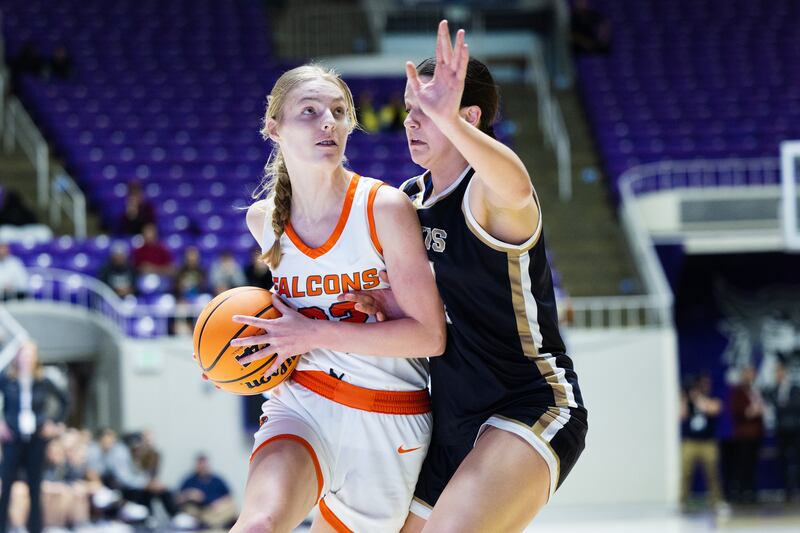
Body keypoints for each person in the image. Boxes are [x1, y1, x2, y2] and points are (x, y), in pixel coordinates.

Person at [343, 21, 588, 532]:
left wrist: (451, 123)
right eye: (411, 110)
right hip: (450, 415)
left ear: (468, 116)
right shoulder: (408, 198)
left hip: (529, 399)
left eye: (426, 111)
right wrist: (384, 303)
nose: (411, 121)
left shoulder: (489, 193)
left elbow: (517, 187)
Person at [221, 64, 445, 532]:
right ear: (274, 128)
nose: (328, 121)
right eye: (310, 111)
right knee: (258, 524)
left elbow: (429, 337)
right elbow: (276, 326)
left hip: (387, 415)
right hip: (302, 404)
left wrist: (313, 332)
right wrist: (231, 352)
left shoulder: (384, 207)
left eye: (339, 112)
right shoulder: (264, 222)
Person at [0, 341, 69, 533]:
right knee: (7, 486)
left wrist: (53, 423)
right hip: (12, 438)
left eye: (31, 354)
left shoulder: (43, 381)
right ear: (17, 357)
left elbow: (64, 401)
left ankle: (35, 529)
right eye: (24, 353)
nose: (27, 357)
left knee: (34, 488)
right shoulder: (7, 380)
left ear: (36, 357)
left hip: (36, 439)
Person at [679, 374, 723, 509]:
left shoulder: (709, 398)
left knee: (712, 473)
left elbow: (715, 409)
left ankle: (717, 501)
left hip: (707, 442)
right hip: (690, 442)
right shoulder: (688, 400)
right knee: (685, 472)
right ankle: (682, 501)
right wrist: (685, 399)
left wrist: (698, 399)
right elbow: (681, 416)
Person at [729, 365, 765, 504]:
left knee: (752, 464)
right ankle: (741, 492)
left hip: (756, 435)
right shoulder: (738, 392)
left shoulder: (755, 391)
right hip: (743, 435)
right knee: (742, 464)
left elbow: (761, 408)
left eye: (753, 373)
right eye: (748, 373)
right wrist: (750, 412)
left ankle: (751, 491)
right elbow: (737, 411)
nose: (751, 376)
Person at [766, 361, 800, 502]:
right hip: (781, 431)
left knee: (797, 461)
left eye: (780, 372)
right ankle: (788, 491)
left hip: (796, 431)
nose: (778, 375)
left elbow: (795, 407)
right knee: (783, 462)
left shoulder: (795, 389)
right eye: (776, 373)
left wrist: (783, 406)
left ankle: (796, 490)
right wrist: (783, 407)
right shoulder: (773, 390)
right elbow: (775, 406)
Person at [174, 454, 237, 530]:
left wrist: (219, 502)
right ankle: (213, 523)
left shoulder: (217, 480)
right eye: (200, 464)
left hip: (216, 509)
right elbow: (178, 499)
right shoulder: (189, 480)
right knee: (190, 509)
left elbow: (229, 496)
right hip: (200, 511)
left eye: (204, 464)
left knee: (231, 506)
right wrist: (189, 495)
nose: (203, 467)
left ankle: (212, 523)